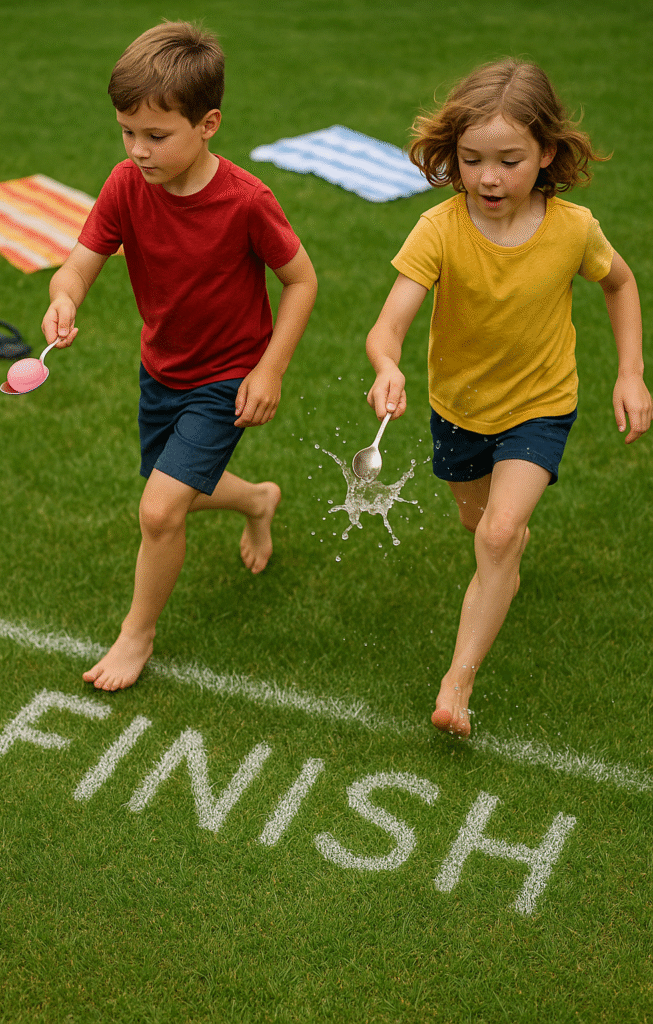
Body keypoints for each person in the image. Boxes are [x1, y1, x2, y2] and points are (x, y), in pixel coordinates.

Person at [365, 58, 651, 738]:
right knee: (480, 530)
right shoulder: (437, 230)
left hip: (540, 404)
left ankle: (455, 685)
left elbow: (619, 284)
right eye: (471, 160)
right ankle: (502, 566)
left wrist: (629, 373)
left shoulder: (573, 228)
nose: (488, 177)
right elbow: (389, 324)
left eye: (509, 160)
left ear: (545, 153)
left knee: (497, 533)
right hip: (457, 410)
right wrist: (386, 366)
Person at [41, 21, 317, 691]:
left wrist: (269, 368)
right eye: (126, 132)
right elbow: (79, 264)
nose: (137, 150)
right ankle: (256, 500)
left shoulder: (247, 202)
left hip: (226, 376)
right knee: (172, 491)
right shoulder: (124, 185)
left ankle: (137, 635)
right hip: (162, 367)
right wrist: (64, 297)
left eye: (155, 136)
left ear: (208, 124)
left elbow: (301, 281)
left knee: (160, 510)